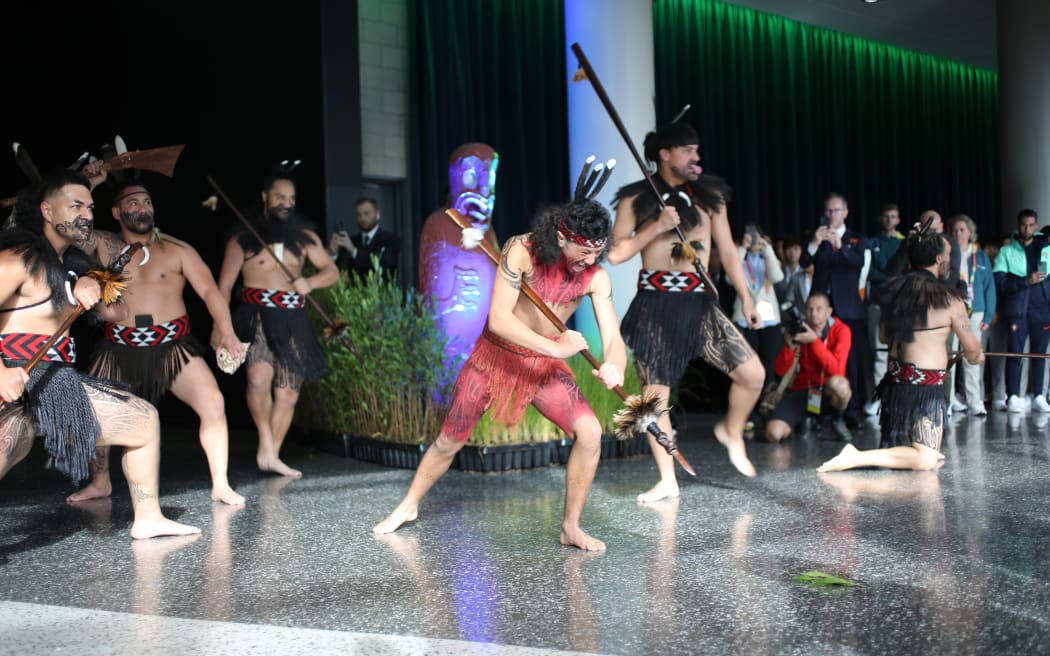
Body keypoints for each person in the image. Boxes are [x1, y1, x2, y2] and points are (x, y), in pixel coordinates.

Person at [373, 199, 626, 551]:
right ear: (560, 237)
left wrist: (616, 365)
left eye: (597, 252)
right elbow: (499, 320)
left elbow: (614, 339)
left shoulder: (595, 277)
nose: (590, 261)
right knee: (450, 440)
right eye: (583, 251)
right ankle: (409, 504)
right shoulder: (520, 250)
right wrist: (555, 347)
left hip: (540, 368)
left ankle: (571, 527)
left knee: (591, 432)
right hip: (495, 357)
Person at [0, 169, 199, 539]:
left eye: (90, 207)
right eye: (75, 205)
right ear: (46, 210)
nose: (87, 214)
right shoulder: (18, 258)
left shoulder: (72, 266)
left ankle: (149, 518)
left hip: (55, 381)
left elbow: (117, 314)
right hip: (13, 376)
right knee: (9, 447)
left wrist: (97, 283)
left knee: (142, 421)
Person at [609, 121, 764, 503]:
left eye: (697, 150)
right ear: (665, 154)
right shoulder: (636, 199)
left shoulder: (710, 196)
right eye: (688, 150)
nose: (696, 157)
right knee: (654, 399)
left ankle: (731, 430)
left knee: (753, 374)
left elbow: (727, 250)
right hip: (655, 304)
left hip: (699, 303)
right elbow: (616, 253)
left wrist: (745, 296)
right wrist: (656, 227)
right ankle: (667, 479)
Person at [68, 179, 245, 505]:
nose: (142, 208)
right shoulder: (105, 245)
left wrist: (227, 330)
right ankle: (101, 481)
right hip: (119, 345)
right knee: (97, 411)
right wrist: (88, 187)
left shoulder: (178, 249)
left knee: (213, 402)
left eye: (146, 202)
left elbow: (209, 291)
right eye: (133, 203)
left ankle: (220, 483)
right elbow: (73, 230)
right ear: (116, 211)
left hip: (173, 346)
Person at [818, 232, 984, 472]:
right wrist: (976, 356)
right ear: (938, 259)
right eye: (948, 255)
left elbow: (885, 336)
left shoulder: (894, 291)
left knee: (929, 453)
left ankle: (914, 451)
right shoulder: (950, 300)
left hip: (895, 386)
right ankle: (856, 457)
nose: (949, 260)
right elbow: (972, 350)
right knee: (926, 460)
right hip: (923, 392)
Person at [217, 172, 338, 477]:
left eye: (291, 199)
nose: (287, 203)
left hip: (293, 317)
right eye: (281, 197)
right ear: (265, 197)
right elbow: (223, 286)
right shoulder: (241, 238)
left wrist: (310, 281)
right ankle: (266, 443)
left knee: (289, 393)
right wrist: (220, 327)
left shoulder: (306, 237)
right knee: (258, 379)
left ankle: (271, 454)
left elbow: (331, 271)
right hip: (255, 313)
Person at [801, 193, 870, 425]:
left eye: (837, 210)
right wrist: (813, 243)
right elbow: (803, 263)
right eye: (829, 211)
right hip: (819, 309)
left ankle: (850, 411)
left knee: (849, 362)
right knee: (816, 358)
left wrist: (840, 247)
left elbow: (857, 264)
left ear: (846, 213)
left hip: (848, 309)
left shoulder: (856, 239)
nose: (833, 215)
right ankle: (820, 412)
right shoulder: (817, 237)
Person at [765, 292, 852, 442]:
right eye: (810, 309)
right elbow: (780, 371)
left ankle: (837, 419)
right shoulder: (799, 329)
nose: (814, 314)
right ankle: (801, 422)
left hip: (828, 392)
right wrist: (789, 347)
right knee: (773, 433)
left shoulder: (841, 330)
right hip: (803, 391)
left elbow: (837, 370)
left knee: (840, 385)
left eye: (819, 309)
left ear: (829, 311)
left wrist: (814, 341)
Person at [993, 209, 1050, 413]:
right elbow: (1000, 281)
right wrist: (1027, 281)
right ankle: (1014, 395)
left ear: (1036, 225)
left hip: (1042, 309)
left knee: (1040, 354)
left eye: (1031, 225)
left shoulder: (1046, 249)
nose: (1027, 229)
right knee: (1015, 352)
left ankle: (1039, 396)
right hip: (1017, 309)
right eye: (1024, 225)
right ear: (1018, 225)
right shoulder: (1007, 251)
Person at [948, 214, 995, 415]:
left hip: (975, 311)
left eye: (962, 230)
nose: (959, 233)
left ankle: (974, 399)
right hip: (951, 311)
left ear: (970, 232)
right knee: (949, 355)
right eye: (955, 230)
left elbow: (989, 287)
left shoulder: (981, 256)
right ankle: (948, 401)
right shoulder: (947, 253)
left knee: (972, 355)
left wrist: (988, 315)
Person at [862, 203, 904, 416]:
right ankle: (879, 399)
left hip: (899, 306)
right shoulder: (873, 242)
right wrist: (890, 278)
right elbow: (868, 271)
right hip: (878, 304)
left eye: (893, 216)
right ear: (881, 219)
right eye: (886, 216)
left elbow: (905, 270)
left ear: (898, 220)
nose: (889, 220)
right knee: (879, 353)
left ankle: (898, 398)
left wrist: (891, 278)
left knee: (901, 354)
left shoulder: (904, 243)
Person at [733, 225, 784, 387]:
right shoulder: (740, 258)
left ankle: (764, 403)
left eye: (757, 236)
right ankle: (747, 400)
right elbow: (730, 278)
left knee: (768, 361)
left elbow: (777, 277)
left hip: (769, 319)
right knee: (746, 362)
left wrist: (767, 249)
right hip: (744, 318)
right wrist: (743, 248)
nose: (754, 239)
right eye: (750, 236)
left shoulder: (769, 258)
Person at [328, 197, 400, 278]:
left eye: (366, 213)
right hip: (353, 290)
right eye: (358, 214)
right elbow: (337, 270)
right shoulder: (351, 241)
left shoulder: (391, 239)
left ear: (377, 214)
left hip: (380, 290)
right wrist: (333, 254)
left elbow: (385, 263)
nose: (362, 218)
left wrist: (354, 251)